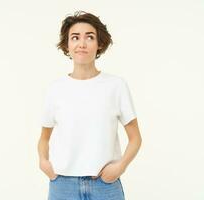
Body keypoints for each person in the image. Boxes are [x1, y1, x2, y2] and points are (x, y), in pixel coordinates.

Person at [38, 10, 142, 200]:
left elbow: (135, 138)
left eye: (90, 37)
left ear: (99, 44)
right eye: (75, 37)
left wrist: (120, 167)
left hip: (105, 185)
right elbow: (44, 138)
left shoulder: (116, 86)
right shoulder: (55, 89)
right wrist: (44, 163)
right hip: (63, 185)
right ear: (67, 45)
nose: (82, 44)